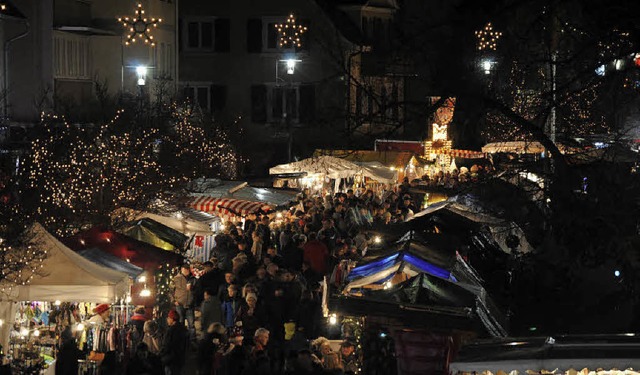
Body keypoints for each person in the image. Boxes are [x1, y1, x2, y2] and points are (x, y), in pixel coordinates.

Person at [171, 263, 195, 342]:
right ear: (181, 269)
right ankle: (180, 339)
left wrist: (192, 290)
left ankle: (192, 341)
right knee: (180, 322)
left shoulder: (193, 279)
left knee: (191, 324)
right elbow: (170, 290)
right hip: (180, 304)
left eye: (187, 269)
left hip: (190, 305)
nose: (186, 271)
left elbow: (197, 290)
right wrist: (174, 301)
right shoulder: (176, 278)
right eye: (185, 269)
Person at [159, 310, 187, 375]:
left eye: (168, 318)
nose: (167, 320)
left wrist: (159, 355)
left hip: (171, 360)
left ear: (172, 319)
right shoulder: (183, 329)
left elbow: (167, 346)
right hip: (180, 359)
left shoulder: (171, 331)